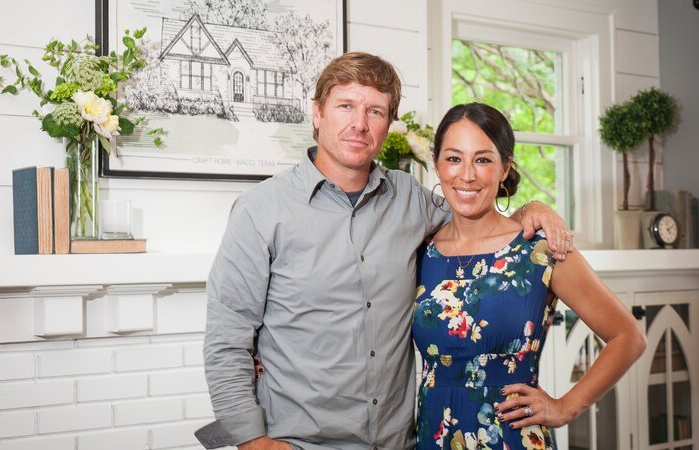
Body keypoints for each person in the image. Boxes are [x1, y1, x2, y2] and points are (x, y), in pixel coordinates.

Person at [195, 52, 572, 450]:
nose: (359, 124)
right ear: (318, 113)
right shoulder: (260, 210)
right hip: (299, 442)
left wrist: (530, 210)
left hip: (399, 442)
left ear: (388, 123)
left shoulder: (412, 199)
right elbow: (226, 338)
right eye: (346, 106)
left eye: (375, 111)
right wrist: (252, 441)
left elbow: (476, 214)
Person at [413, 103, 646, 449]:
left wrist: (566, 407)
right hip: (433, 435)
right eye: (453, 158)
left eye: (483, 160)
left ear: (505, 168)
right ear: (436, 164)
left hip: (511, 437)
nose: (467, 175)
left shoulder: (539, 251)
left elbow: (628, 337)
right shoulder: (421, 251)